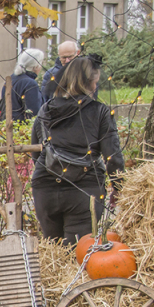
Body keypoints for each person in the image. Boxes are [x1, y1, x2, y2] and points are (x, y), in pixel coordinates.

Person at [30, 55, 124, 245]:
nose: (96, 87)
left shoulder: (45, 110)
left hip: (45, 187)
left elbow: (36, 151)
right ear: (88, 83)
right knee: (81, 252)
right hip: (84, 188)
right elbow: (113, 158)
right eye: (95, 82)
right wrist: (119, 187)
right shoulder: (99, 112)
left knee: (53, 252)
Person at [6, 48, 45, 120]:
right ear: (36, 66)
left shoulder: (11, 79)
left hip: (7, 124)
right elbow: (34, 113)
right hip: (22, 128)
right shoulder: (30, 84)